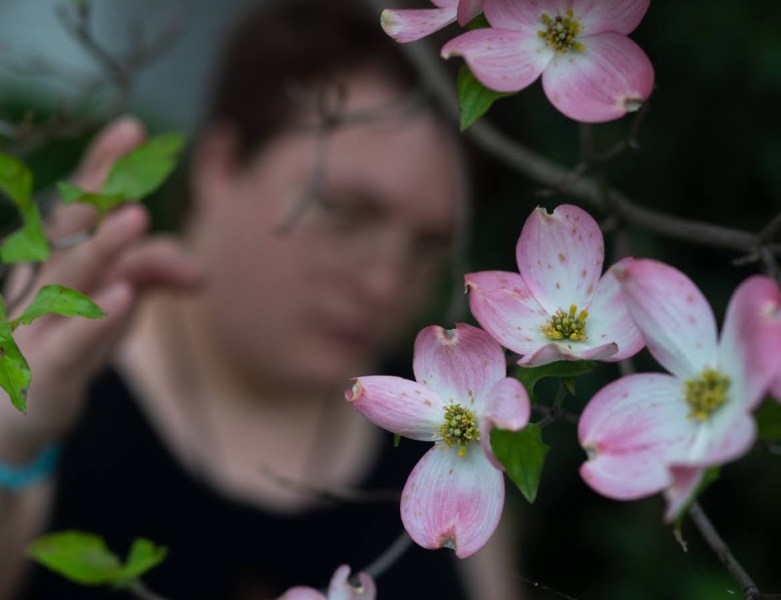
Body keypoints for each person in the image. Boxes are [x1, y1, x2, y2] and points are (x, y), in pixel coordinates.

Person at [0, 1, 524, 599]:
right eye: (345, 210)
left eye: (428, 245)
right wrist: (10, 441)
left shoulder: (447, 442)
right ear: (220, 166)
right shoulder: (54, 391)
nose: (385, 283)